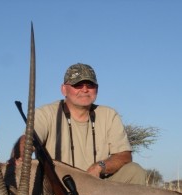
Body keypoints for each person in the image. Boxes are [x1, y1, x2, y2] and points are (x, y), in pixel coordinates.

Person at [13, 63, 146, 185]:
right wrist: (21, 156)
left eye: (90, 85)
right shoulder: (45, 113)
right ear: (64, 89)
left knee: (135, 171)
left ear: (97, 89)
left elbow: (124, 156)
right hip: (58, 186)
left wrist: (100, 167)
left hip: (97, 185)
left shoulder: (109, 115)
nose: (85, 90)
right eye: (77, 85)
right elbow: (28, 139)